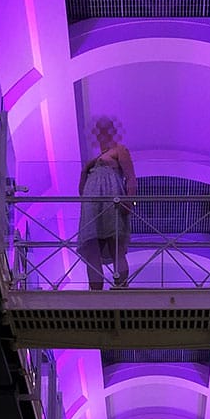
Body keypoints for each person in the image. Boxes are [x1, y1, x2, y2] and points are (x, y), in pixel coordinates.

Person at [77, 115, 136, 289]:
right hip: (92, 204)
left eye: (105, 129)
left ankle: (121, 286)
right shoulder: (94, 159)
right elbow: (81, 190)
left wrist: (128, 200)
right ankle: (95, 292)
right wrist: (85, 170)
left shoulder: (119, 150)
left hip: (111, 200)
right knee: (92, 248)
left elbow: (131, 178)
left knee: (114, 243)